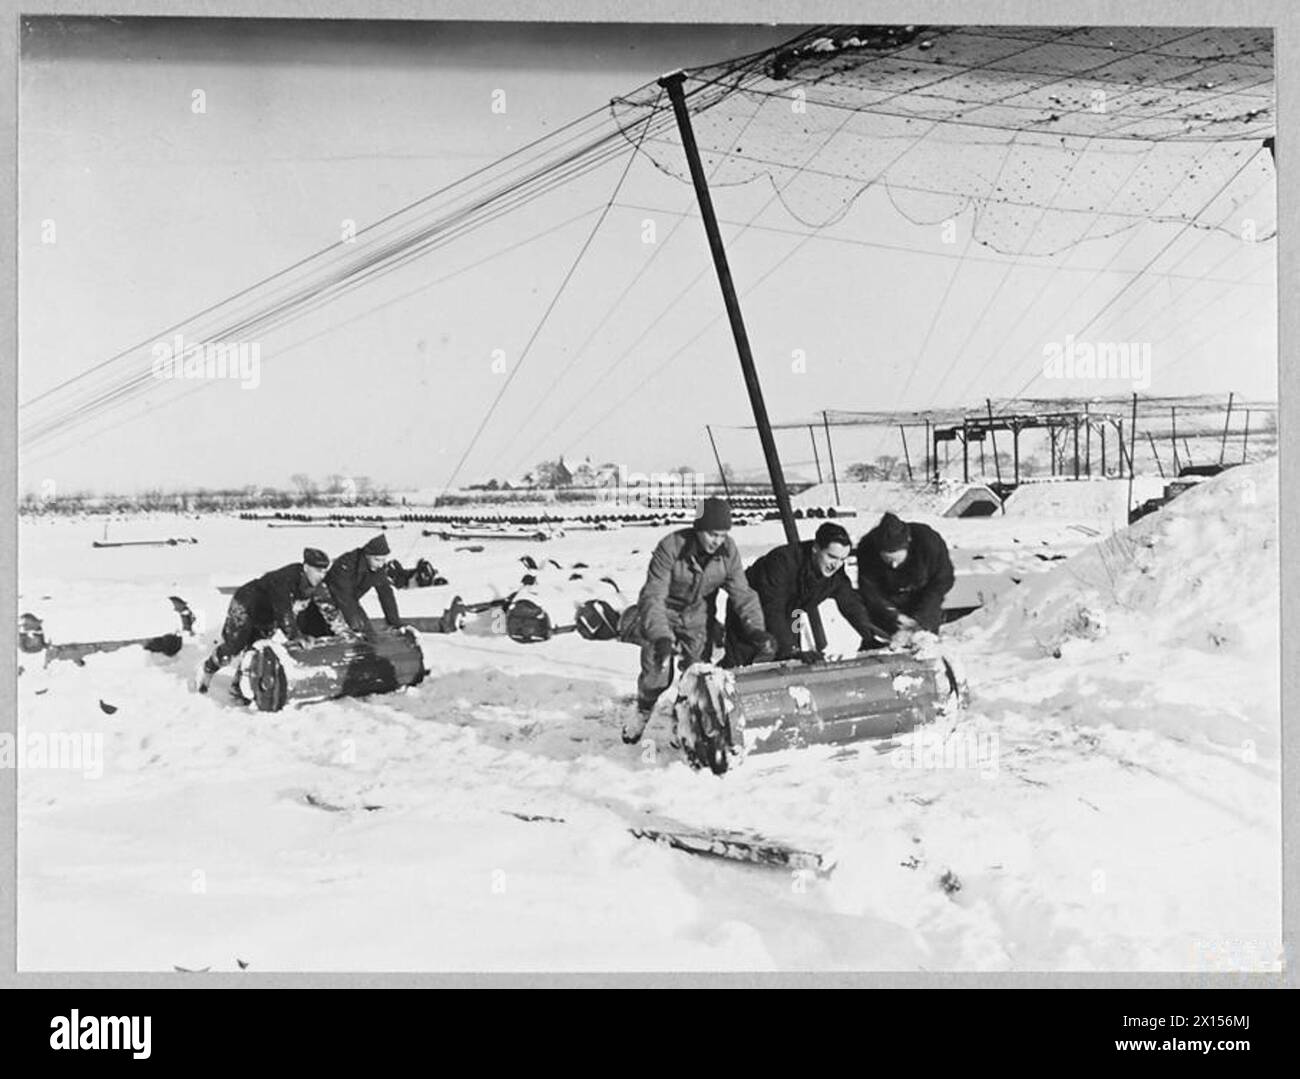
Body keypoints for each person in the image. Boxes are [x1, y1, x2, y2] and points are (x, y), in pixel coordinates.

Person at [620, 497, 773, 743]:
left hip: (698, 615)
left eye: (723, 535)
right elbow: (653, 594)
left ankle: (679, 723)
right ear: (699, 529)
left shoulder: (728, 552)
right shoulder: (671, 546)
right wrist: (660, 636)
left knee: (695, 674)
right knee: (657, 673)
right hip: (664, 609)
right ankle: (643, 711)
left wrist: (757, 630)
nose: (717, 541)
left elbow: (742, 594)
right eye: (712, 534)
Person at [723, 521, 887, 665]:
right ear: (816, 548)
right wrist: (789, 650)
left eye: (842, 559)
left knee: (792, 661)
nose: (836, 565)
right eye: (831, 557)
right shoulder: (782, 562)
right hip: (751, 612)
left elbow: (851, 603)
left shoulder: (835, 574)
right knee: (746, 659)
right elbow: (773, 608)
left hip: (792, 613)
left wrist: (868, 636)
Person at [196, 547, 332, 695]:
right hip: (247, 603)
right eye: (318, 570)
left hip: (268, 614)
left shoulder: (314, 584)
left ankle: (239, 686)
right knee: (234, 646)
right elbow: (284, 612)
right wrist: (297, 636)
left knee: (256, 650)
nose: (322, 575)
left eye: (324, 571)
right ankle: (208, 669)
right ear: (306, 568)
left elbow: (318, 608)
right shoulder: (286, 579)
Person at [856, 512, 955, 637]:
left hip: (924, 596)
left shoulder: (928, 542)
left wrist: (922, 617)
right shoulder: (867, 548)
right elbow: (869, 590)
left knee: (924, 641)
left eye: (896, 560)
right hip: (888, 600)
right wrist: (892, 615)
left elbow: (942, 580)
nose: (893, 566)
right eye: (887, 560)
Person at [325, 533, 403, 639]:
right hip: (327, 600)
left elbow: (386, 594)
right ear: (367, 555)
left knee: (369, 636)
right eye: (377, 560)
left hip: (351, 601)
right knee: (346, 633)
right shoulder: (346, 564)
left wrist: (395, 623)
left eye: (383, 560)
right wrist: (356, 627)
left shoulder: (377, 569)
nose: (380, 564)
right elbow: (345, 597)